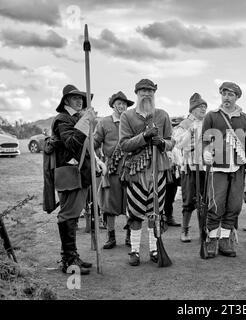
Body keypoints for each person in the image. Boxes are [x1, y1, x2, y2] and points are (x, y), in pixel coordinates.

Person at [119, 79, 174, 266]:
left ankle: (154, 249)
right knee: (135, 213)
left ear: (154, 93)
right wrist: (144, 137)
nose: (147, 94)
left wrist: (163, 143)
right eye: (143, 91)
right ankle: (134, 250)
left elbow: (171, 141)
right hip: (136, 171)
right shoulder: (127, 116)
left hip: (158, 171)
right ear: (136, 93)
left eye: (150, 91)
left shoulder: (163, 115)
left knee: (155, 212)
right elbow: (124, 144)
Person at [51, 84, 105, 275]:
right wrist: (85, 122)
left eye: (81, 98)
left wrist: (97, 161)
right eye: (75, 98)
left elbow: (86, 146)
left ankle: (72, 256)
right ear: (66, 100)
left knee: (73, 216)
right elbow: (72, 143)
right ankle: (68, 260)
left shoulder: (75, 118)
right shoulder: (62, 119)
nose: (80, 100)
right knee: (68, 216)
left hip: (79, 173)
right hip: (69, 172)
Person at [202, 82, 246, 258]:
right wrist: (206, 153)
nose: (227, 97)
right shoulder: (211, 116)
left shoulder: (245, 119)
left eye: (231, 94)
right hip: (217, 168)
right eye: (224, 94)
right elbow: (205, 141)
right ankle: (211, 239)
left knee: (234, 205)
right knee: (216, 204)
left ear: (237, 97)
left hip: (238, 169)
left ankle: (225, 239)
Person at [93, 91, 133, 249]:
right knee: (109, 205)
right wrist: (97, 161)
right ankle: (111, 237)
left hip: (131, 168)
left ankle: (131, 236)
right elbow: (94, 143)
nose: (122, 106)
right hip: (111, 168)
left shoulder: (131, 121)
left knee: (132, 203)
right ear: (113, 105)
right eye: (119, 103)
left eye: (124, 103)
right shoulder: (104, 123)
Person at [173, 93, 208, 242]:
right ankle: (185, 231)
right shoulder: (185, 124)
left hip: (205, 168)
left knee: (205, 200)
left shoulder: (208, 123)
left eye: (205, 106)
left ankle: (203, 231)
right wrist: (190, 134)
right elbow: (177, 144)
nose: (203, 109)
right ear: (193, 108)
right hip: (189, 167)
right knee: (188, 200)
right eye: (200, 106)